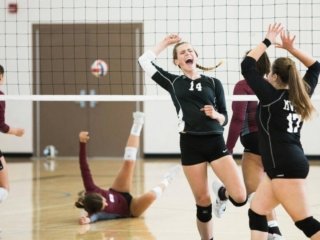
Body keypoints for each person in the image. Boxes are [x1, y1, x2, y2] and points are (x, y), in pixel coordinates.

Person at [138, 34, 247, 240]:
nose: (187, 53)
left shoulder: (214, 83)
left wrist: (215, 115)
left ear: (196, 56)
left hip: (215, 141)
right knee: (202, 202)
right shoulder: (172, 81)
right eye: (182, 52)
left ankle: (222, 194)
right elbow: (144, 61)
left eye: (190, 50)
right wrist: (165, 43)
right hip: (190, 143)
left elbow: (225, 118)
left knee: (240, 197)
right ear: (177, 61)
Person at [241, 23, 320, 239]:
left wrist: (268, 40)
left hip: (285, 166)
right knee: (257, 212)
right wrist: (291, 49)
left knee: (306, 223)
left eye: (269, 76)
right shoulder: (300, 94)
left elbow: (247, 66)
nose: (265, 78)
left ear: (275, 77)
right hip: (284, 165)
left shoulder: (271, 96)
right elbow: (315, 67)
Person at [75, 111, 180, 224]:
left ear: (96, 195)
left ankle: (138, 123)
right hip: (131, 209)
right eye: (104, 206)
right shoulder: (95, 213)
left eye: (104, 200)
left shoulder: (90, 188)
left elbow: (83, 167)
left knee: (129, 162)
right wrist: (87, 220)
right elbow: (93, 218)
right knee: (151, 196)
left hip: (118, 191)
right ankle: (168, 179)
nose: (106, 204)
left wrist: (82, 143)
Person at [226, 52, 283, 240]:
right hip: (275, 143)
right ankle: (274, 230)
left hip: (253, 141)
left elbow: (237, 119)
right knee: (262, 189)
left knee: (253, 193)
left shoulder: (243, 86)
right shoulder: (274, 85)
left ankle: (223, 193)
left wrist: (228, 150)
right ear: (267, 67)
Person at [0, 65, 25, 204]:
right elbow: (1, 126)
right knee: (4, 189)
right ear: (1, 77)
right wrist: (16, 132)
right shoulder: (0, 96)